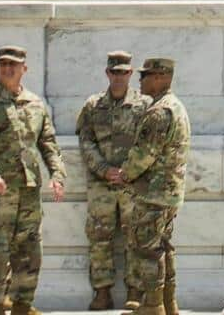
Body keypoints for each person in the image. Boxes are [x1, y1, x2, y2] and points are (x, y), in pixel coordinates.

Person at [0, 45, 66, 315]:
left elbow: (48, 143)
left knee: (30, 249)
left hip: (29, 189)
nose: (7, 69)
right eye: (3, 65)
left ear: (24, 69)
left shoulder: (35, 103)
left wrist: (57, 174)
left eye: (13, 65)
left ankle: (22, 303)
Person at [77, 50, 147, 310]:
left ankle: (135, 292)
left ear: (130, 74)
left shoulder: (143, 106)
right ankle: (102, 292)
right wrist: (104, 169)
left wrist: (129, 170)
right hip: (101, 183)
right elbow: (86, 142)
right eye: (114, 72)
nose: (119, 77)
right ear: (107, 73)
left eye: (124, 72)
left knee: (135, 238)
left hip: (132, 183)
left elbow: (148, 143)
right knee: (99, 238)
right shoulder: (93, 106)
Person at [121, 57, 189, 315]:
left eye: (146, 75)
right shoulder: (176, 107)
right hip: (169, 192)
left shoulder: (160, 111)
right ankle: (169, 302)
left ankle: (152, 304)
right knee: (162, 246)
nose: (141, 81)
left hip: (154, 192)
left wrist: (126, 174)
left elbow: (144, 154)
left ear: (161, 77)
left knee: (147, 249)